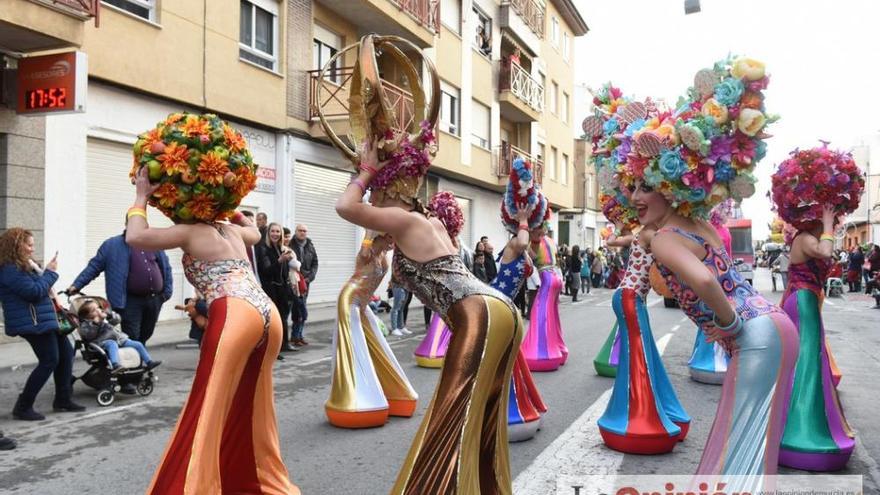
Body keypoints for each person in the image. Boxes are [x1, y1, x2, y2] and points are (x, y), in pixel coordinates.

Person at [336, 136, 522, 494]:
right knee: (481, 422)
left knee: (450, 421)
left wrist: (364, 172)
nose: (370, 200)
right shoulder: (430, 222)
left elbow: (345, 206)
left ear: (388, 186)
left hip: (475, 314)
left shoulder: (401, 218)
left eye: (374, 191)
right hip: (499, 309)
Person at [127, 169, 297, 494]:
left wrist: (140, 197)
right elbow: (256, 233)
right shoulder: (233, 229)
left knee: (206, 407)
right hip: (267, 313)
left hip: (234, 312)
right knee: (254, 403)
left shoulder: (190, 231)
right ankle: (255, 483)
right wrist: (229, 202)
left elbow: (135, 237)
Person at [632, 181, 798, 487]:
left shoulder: (664, 239)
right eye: (633, 189)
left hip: (754, 335)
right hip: (777, 325)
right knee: (755, 446)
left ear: (669, 190)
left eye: (645, 187)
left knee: (736, 449)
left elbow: (706, 281)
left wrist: (729, 324)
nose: (634, 197)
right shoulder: (700, 225)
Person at [777, 206, 855, 471]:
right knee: (808, 363)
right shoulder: (805, 238)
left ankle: (797, 424)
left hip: (806, 300)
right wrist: (828, 222)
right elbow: (825, 252)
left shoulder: (808, 237)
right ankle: (798, 429)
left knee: (810, 361)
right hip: (802, 301)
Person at [326, 233, 418, 428]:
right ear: (379, 237)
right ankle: (358, 397)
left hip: (363, 304)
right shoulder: (366, 252)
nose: (394, 243)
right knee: (355, 344)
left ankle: (389, 392)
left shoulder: (382, 256)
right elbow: (368, 230)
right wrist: (373, 221)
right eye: (390, 239)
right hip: (350, 300)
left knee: (376, 339)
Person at [1, 228, 86, 421]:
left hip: (46, 319)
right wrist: (50, 272)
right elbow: (34, 292)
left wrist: (45, 273)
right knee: (50, 360)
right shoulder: (9, 269)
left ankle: (63, 400)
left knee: (65, 355)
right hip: (32, 323)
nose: (32, 249)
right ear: (16, 246)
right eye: (29, 245)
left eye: (32, 245)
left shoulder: (26, 266)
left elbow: (41, 289)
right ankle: (23, 406)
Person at [68, 218, 173, 344]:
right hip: (129, 301)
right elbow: (94, 267)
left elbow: (166, 267)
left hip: (154, 300)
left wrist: (166, 292)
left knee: (146, 333)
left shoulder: (153, 244)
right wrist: (76, 285)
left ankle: (138, 359)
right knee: (132, 335)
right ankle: (135, 361)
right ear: (126, 225)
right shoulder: (111, 245)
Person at [77, 299, 161, 372]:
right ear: (87, 316)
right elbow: (88, 335)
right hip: (102, 342)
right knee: (111, 344)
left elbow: (117, 320)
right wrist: (96, 323)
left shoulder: (105, 317)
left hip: (118, 339)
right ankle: (115, 365)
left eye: (98, 308)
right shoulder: (86, 324)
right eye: (94, 310)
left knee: (137, 344)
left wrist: (110, 316)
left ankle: (149, 362)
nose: (99, 310)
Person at [257, 223, 297, 353]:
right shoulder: (263, 248)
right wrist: (280, 260)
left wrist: (290, 260)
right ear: (268, 233)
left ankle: (284, 343)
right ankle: (272, 348)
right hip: (270, 288)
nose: (275, 234)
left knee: (283, 317)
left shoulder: (281, 248)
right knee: (273, 319)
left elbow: (285, 270)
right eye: (273, 231)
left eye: (278, 232)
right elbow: (266, 270)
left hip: (282, 288)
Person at [289, 224, 317, 346]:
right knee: (297, 309)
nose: (302, 233)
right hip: (294, 281)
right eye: (300, 230)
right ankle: (294, 336)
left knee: (302, 308)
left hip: (305, 282)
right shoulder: (290, 245)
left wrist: (309, 277)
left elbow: (315, 263)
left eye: (305, 231)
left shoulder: (310, 245)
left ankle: (299, 335)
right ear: (296, 231)